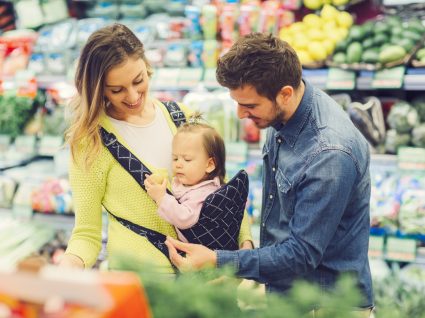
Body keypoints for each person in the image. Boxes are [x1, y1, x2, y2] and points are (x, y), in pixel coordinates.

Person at [165, 32, 374, 313]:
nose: (240, 114)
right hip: (288, 296)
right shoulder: (284, 114)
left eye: (249, 105)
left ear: (285, 94)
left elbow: (301, 254)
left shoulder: (329, 154)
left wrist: (220, 260)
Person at [59, 23, 253, 272]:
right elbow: (86, 234)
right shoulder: (91, 143)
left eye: (138, 81)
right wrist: (65, 269)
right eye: (117, 90)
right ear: (98, 89)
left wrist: (242, 254)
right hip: (143, 282)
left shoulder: (183, 117)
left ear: (147, 67)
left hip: (207, 279)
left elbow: (226, 196)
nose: (132, 96)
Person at [144, 113, 249, 249]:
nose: (178, 164)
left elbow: (184, 218)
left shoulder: (203, 193)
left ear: (210, 164)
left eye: (187, 159)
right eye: (175, 158)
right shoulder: (191, 183)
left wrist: (161, 197)